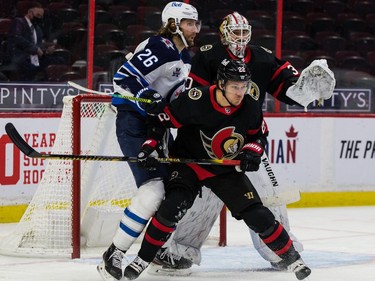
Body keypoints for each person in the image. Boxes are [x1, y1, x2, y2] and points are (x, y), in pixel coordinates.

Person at [150, 11, 335, 274]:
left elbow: (288, 87)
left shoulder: (262, 57)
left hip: (248, 139)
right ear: (224, 33)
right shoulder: (206, 55)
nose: (239, 38)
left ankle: (280, 250)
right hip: (205, 143)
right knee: (203, 198)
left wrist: (307, 88)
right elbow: (191, 100)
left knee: (269, 193)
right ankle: (180, 252)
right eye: (234, 32)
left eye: (243, 32)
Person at [122, 59, 312, 281]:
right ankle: (142, 260)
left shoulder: (249, 105)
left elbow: (259, 135)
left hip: (223, 169)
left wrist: (252, 151)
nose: (240, 92)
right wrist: (150, 146)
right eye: (235, 86)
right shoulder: (196, 99)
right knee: (170, 209)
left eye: (244, 86)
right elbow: (161, 121)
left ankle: (293, 258)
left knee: (257, 213)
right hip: (189, 165)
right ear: (221, 83)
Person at [96, 2, 201, 281]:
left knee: (169, 194)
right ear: (174, 23)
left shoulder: (185, 58)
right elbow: (123, 77)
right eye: (190, 23)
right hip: (134, 121)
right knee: (154, 190)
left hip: (156, 128)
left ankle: (158, 250)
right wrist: (146, 93)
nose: (195, 28)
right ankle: (114, 254)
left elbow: (171, 101)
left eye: (196, 23)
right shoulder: (161, 46)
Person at [6, 1, 63, 81]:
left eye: (41, 16)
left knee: (59, 60)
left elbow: (38, 45)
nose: (39, 18)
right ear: (30, 12)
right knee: (31, 69)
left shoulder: (37, 28)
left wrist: (46, 50)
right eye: (37, 15)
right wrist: (35, 49)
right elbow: (17, 38)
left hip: (34, 58)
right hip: (21, 58)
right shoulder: (19, 22)